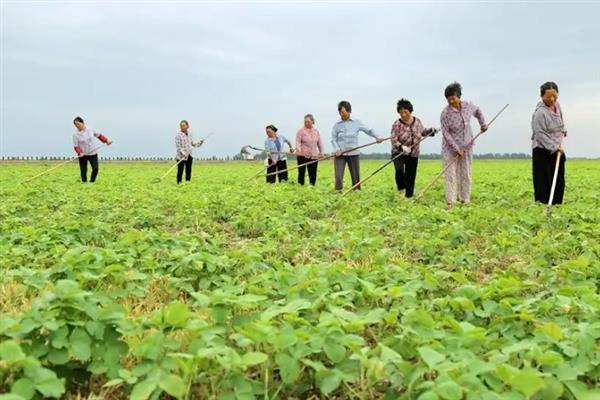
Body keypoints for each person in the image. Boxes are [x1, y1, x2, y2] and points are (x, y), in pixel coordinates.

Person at [440, 82, 487, 207]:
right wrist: (456, 148)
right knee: (450, 174)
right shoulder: (445, 114)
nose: (451, 101)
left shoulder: (468, 106)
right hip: (450, 148)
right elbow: (445, 133)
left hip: (467, 145)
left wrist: (483, 124)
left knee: (466, 173)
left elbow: (478, 111)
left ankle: (465, 198)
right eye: (448, 99)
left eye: (453, 98)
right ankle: (451, 201)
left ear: (459, 96)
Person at [331, 100, 384, 190]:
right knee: (339, 176)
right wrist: (337, 150)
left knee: (355, 177)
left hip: (353, 153)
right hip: (340, 154)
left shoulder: (356, 122)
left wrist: (377, 137)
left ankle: (356, 192)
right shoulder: (337, 125)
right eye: (340, 112)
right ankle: (337, 193)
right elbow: (333, 139)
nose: (342, 114)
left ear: (349, 111)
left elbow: (368, 130)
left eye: (343, 112)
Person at [390, 99, 437, 197]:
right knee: (399, 171)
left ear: (410, 111)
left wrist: (431, 131)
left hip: (413, 153)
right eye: (401, 112)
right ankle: (401, 189)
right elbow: (393, 139)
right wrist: (401, 147)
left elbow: (423, 132)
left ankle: (409, 196)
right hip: (399, 153)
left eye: (405, 112)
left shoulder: (417, 121)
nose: (403, 115)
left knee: (411, 175)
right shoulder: (397, 124)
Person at [531, 81, 567, 205]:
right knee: (543, 182)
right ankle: (542, 207)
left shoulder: (558, 106)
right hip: (542, 150)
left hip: (558, 150)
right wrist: (554, 147)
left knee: (559, 181)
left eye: (555, 96)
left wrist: (563, 130)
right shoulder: (540, 113)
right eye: (548, 97)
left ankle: (557, 206)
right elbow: (540, 134)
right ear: (542, 97)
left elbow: (560, 121)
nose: (552, 99)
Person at [72, 116, 112, 183]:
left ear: (82, 122)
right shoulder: (75, 134)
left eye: (78, 124)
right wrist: (80, 152)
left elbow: (99, 135)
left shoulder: (90, 129)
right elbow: (76, 146)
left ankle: (92, 182)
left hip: (93, 153)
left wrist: (106, 141)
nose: (77, 126)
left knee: (95, 168)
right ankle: (84, 183)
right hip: (83, 155)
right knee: (83, 170)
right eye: (75, 125)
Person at [295, 114, 324, 186]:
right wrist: (299, 150)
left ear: (312, 121)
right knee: (301, 172)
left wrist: (321, 152)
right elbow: (297, 141)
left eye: (308, 121)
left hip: (314, 155)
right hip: (302, 155)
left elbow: (320, 143)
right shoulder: (300, 131)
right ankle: (300, 186)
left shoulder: (316, 131)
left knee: (313, 173)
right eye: (305, 122)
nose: (306, 123)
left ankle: (312, 186)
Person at [175, 120, 204, 184]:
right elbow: (178, 147)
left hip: (189, 155)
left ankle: (188, 182)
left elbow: (192, 144)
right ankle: (179, 183)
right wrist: (183, 153)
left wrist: (199, 143)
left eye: (183, 126)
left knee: (188, 170)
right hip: (181, 157)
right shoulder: (178, 135)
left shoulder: (190, 133)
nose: (182, 127)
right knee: (180, 171)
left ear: (187, 126)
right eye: (181, 126)